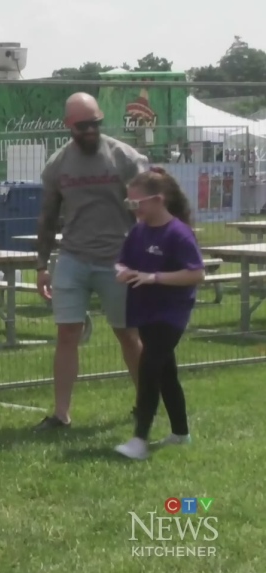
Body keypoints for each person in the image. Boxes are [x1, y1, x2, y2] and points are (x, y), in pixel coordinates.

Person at [34, 92, 150, 431]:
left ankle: (146, 404)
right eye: (83, 125)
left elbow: (153, 200)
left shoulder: (124, 157)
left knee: (127, 335)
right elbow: (47, 217)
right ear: (69, 126)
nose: (90, 130)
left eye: (95, 124)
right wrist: (41, 265)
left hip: (118, 260)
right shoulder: (58, 165)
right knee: (67, 333)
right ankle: (60, 415)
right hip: (73, 258)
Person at [113, 168, 203, 460]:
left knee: (149, 367)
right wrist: (123, 272)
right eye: (131, 203)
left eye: (138, 202)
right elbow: (121, 262)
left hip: (171, 313)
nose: (134, 208)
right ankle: (181, 433)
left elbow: (196, 273)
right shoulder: (138, 231)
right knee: (166, 373)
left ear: (159, 200)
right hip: (145, 310)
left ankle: (139, 440)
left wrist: (154, 278)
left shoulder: (178, 233)